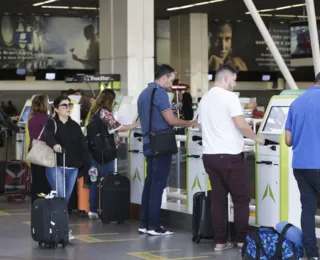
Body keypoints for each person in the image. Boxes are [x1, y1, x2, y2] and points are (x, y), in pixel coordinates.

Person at [198, 65, 264, 250]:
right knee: (241, 199)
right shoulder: (229, 97)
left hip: (210, 156)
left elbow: (201, 126)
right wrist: (258, 138)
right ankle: (241, 240)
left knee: (218, 199)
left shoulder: (205, 99)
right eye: (234, 79)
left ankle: (220, 242)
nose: (234, 84)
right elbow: (241, 125)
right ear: (226, 78)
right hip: (230, 157)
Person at [137, 64, 198, 236]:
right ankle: (155, 226)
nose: (171, 85)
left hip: (149, 143)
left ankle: (144, 223)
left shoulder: (144, 93)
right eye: (171, 80)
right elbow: (171, 121)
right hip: (161, 144)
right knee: (158, 185)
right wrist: (191, 123)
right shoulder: (160, 93)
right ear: (164, 77)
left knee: (150, 184)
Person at [87, 89, 140, 220]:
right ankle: (105, 208)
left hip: (95, 151)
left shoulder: (94, 112)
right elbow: (116, 127)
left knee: (95, 181)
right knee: (106, 180)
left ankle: (93, 209)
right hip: (105, 153)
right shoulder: (105, 112)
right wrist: (136, 124)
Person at [44, 96, 92, 240]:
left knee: (64, 200)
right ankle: (59, 229)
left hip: (73, 167)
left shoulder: (75, 126)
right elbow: (49, 137)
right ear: (57, 108)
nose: (67, 108)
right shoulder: (51, 123)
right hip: (56, 165)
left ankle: (60, 229)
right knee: (60, 197)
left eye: (69, 105)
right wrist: (55, 145)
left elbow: (83, 146)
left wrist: (88, 164)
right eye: (64, 105)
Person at [285, 73, 320, 260]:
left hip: (300, 166)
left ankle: (312, 254)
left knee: (307, 210)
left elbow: (288, 140)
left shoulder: (296, 103)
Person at [27, 94, 51, 204]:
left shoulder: (31, 118)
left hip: (33, 149)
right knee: (44, 179)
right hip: (43, 151)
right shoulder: (46, 119)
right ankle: (43, 203)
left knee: (36, 179)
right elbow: (48, 137)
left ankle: (35, 202)